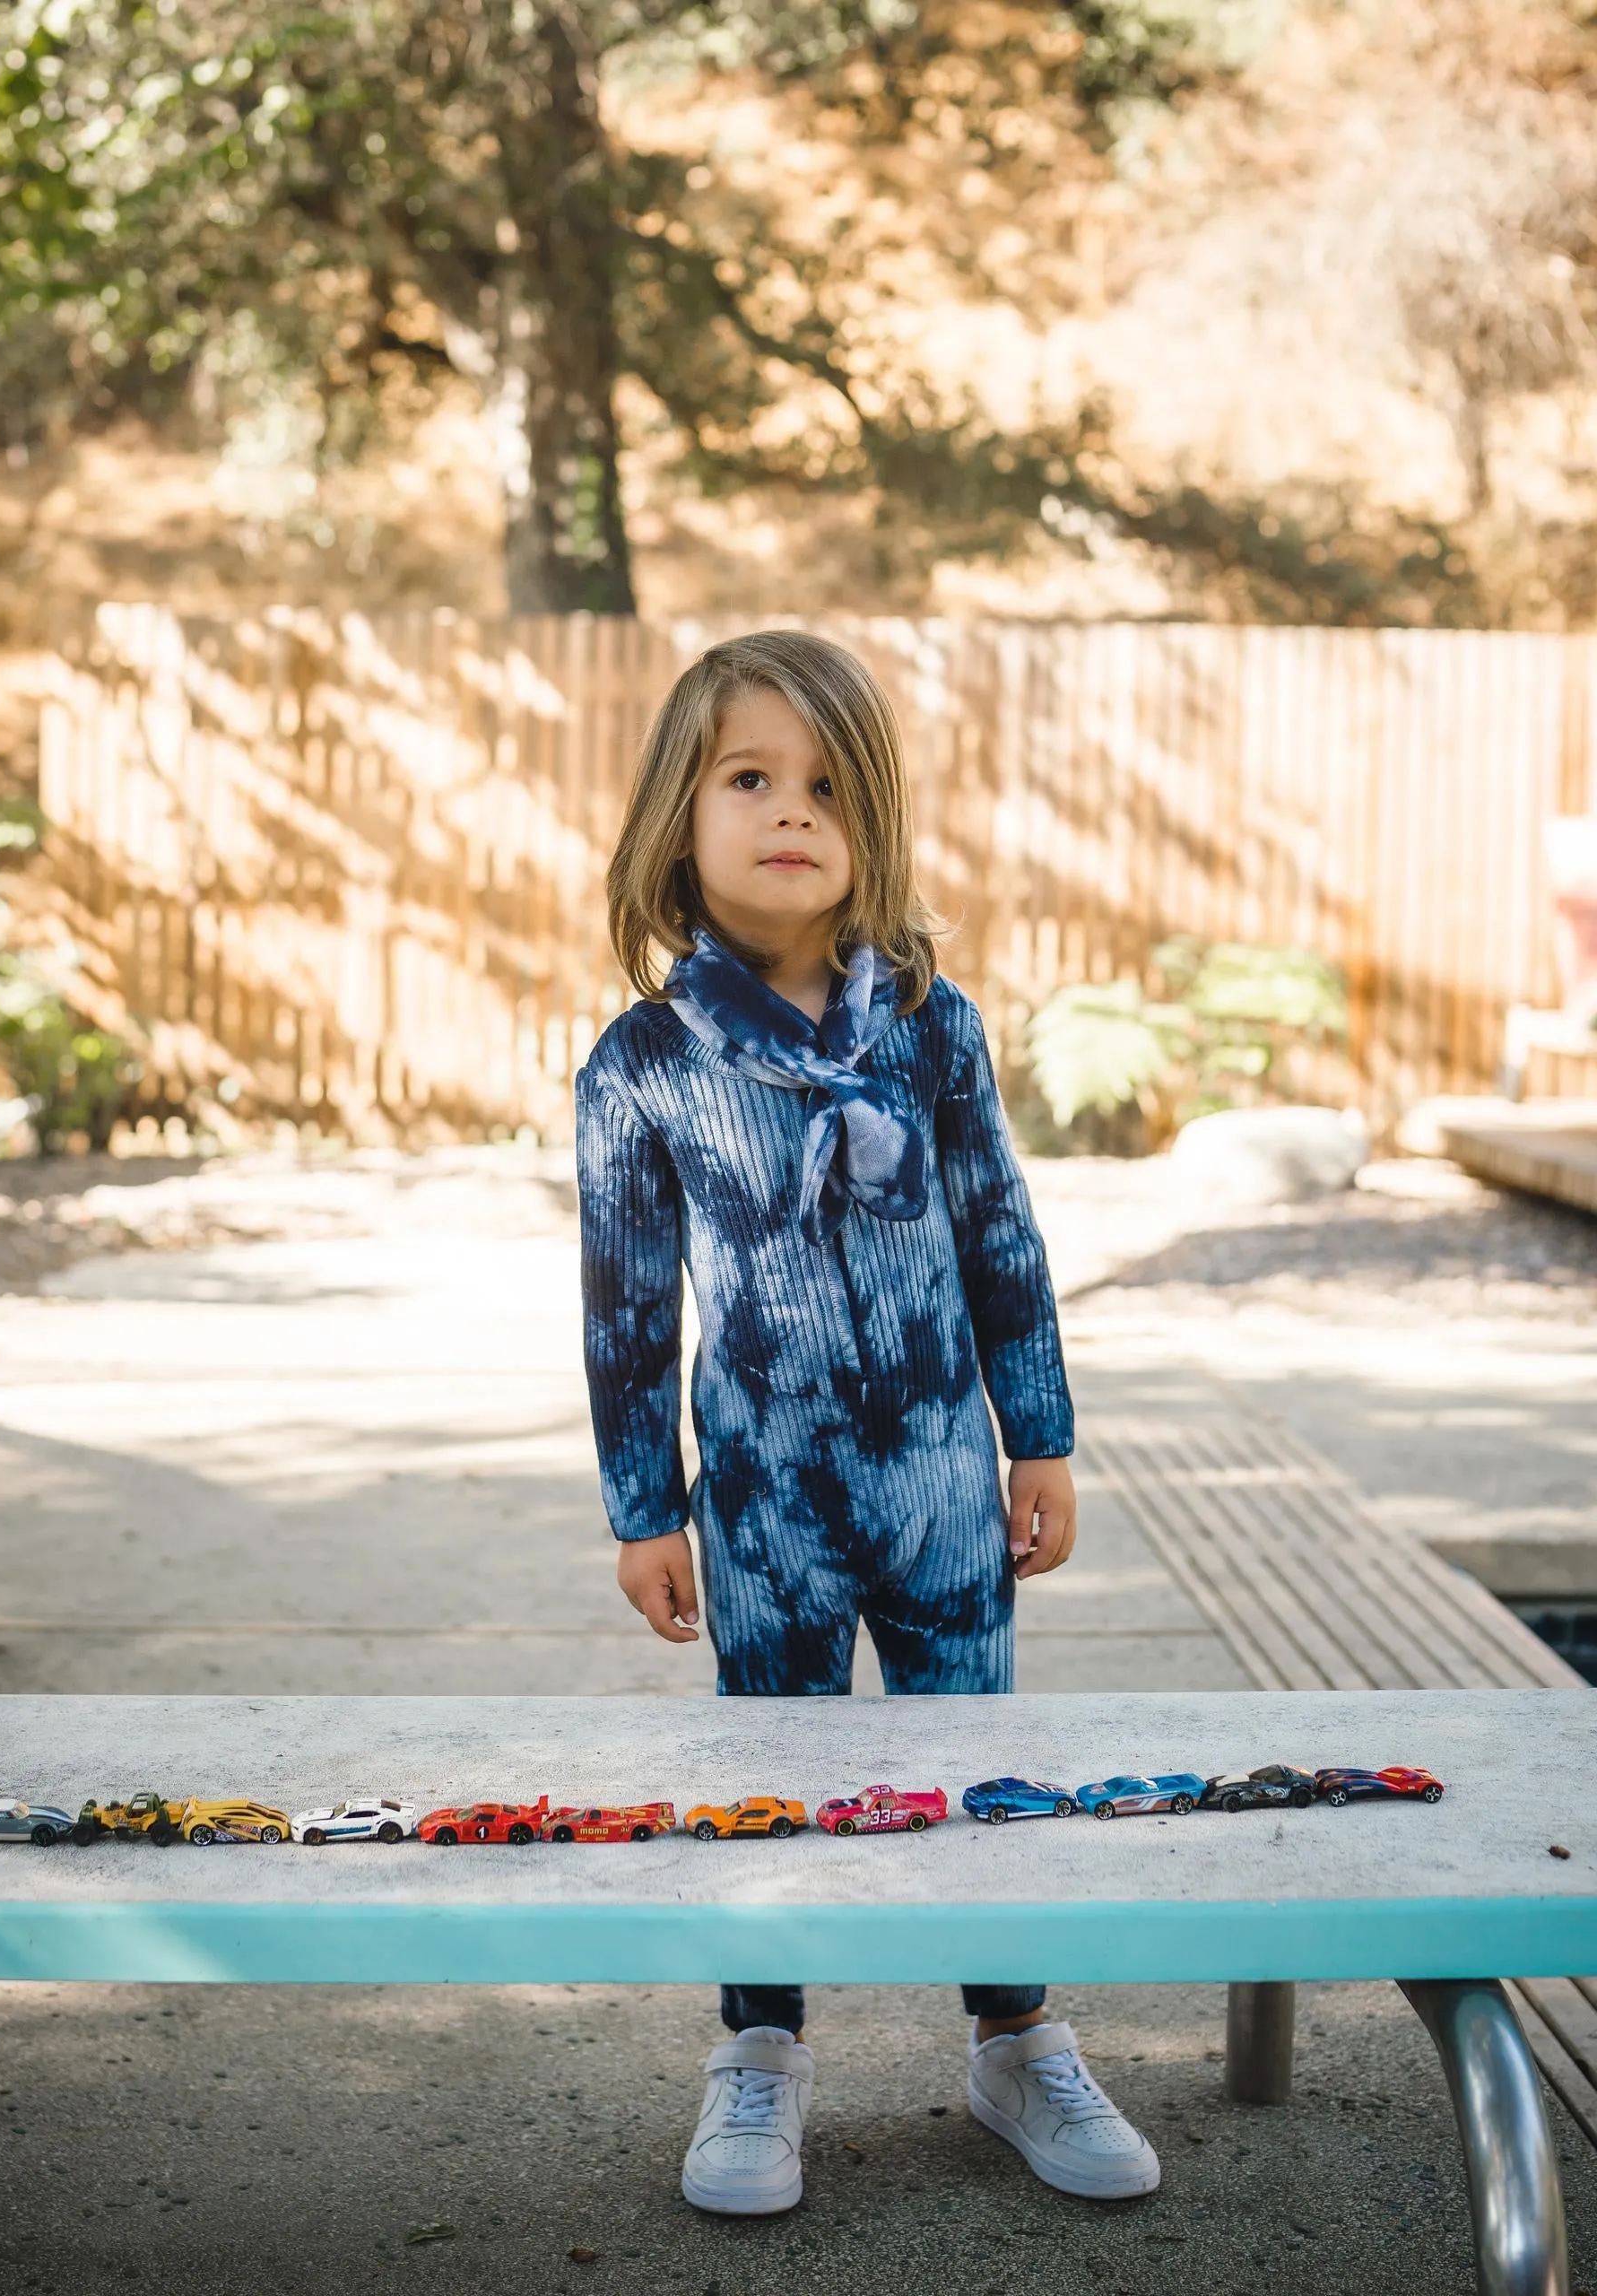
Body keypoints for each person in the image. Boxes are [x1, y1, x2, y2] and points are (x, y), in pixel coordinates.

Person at [574, 629, 1158, 2218]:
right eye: (750, 778)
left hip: (943, 1489)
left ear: (872, 821)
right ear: (676, 820)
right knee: (772, 1771)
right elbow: (631, 1311)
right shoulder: (642, 1065)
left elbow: (1001, 1235)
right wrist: (646, 1506)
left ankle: (1014, 2035)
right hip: (761, 1507)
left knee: (979, 1759)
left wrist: (1041, 1436)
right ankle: (760, 2049)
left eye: (828, 786)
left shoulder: (931, 1027)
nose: (791, 812)